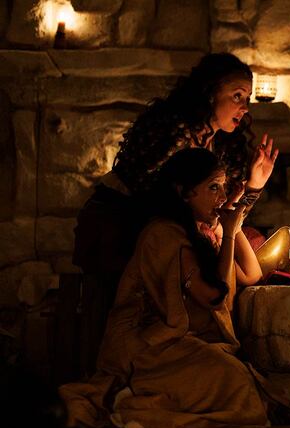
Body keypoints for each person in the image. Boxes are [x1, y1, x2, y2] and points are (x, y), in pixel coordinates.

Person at [72, 52, 277, 376]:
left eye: (247, 99)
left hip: (177, 224)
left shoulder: (215, 143)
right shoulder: (176, 133)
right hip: (125, 223)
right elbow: (177, 202)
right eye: (237, 96)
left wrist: (251, 188)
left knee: (250, 239)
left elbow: (222, 207)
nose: (244, 107)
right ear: (210, 93)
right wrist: (217, 229)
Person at [59, 149, 287, 428]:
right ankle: (131, 400)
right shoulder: (165, 234)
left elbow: (250, 274)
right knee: (235, 380)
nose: (221, 197)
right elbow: (212, 296)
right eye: (213, 187)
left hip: (184, 342)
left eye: (223, 188)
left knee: (244, 381)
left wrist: (233, 223)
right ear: (184, 192)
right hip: (151, 345)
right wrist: (227, 232)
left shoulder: (198, 233)